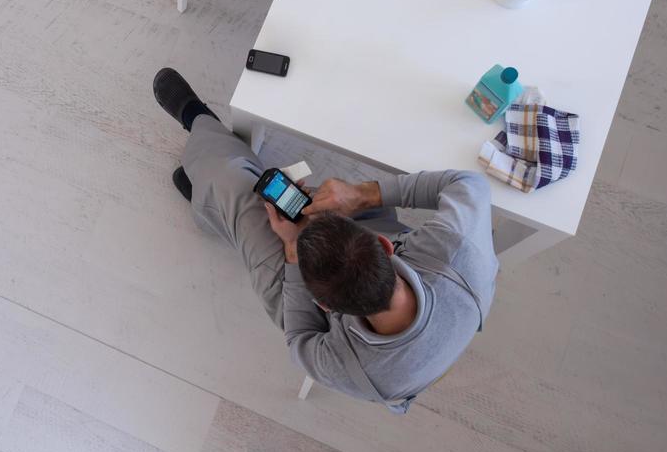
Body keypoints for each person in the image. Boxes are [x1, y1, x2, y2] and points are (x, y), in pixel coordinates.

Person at [153, 68, 498, 412]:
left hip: (300, 295)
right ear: (383, 245)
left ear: (325, 305)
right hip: (425, 300)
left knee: (238, 193)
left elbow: (299, 337)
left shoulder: (342, 365)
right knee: (293, 203)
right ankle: (209, 191)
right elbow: (470, 185)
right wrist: (363, 195)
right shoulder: (461, 255)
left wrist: (291, 249)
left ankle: (199, 130)